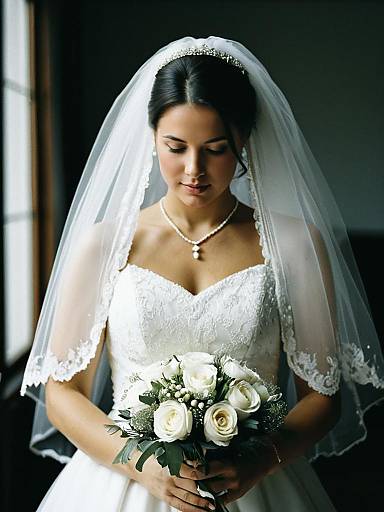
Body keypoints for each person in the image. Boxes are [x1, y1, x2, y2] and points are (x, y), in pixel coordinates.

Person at [20, 36, 384, 511]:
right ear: (151, 137)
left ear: (244, 142)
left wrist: (258, 461)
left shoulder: (294, 245)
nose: (194, 170)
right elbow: (64, 391)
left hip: (256, 484)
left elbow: (322, 396)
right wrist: (138, 462)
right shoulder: (105, 246)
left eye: (215, 149)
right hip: (123, 484)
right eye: (176, 147)